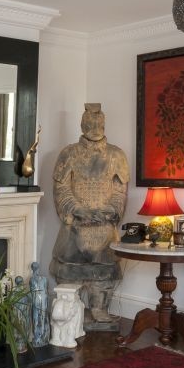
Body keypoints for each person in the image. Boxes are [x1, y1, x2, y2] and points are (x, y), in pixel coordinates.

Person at [50, 104, 129, 327]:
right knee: (69, 271)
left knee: (104, 271)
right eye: (90, 123)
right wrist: (77, 209)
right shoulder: (68, 153)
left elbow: (120, 192)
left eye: (99, 124)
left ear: (104, 125)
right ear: (82, 125)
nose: (95, 128)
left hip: (104, 228)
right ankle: (70, 311)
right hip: (75, 228)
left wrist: (110, 210)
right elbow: (62, 189)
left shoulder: (116, 155)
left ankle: (99, 309)